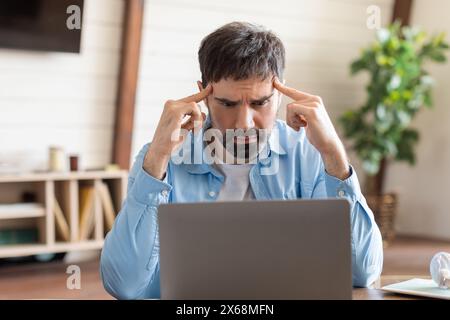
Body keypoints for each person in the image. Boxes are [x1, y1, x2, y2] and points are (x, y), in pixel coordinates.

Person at [100, 21, 383, 299]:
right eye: (227, 103)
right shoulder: (159, 158)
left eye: (260, 103)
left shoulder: (310, 153)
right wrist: (157, 160)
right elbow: (124, 285)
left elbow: (363, 272)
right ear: (204, 94)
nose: (244, 123)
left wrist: (334, 154)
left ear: (280, 93)